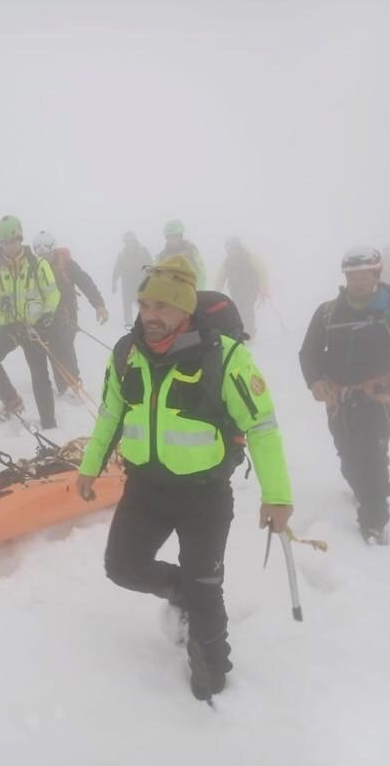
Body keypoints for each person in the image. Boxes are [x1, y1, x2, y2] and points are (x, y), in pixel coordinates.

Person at [76, 255, 294, 701]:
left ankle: (212, 675)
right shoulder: (126, 354)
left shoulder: (225, 356)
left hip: (204, 495)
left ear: (185, 309)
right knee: (122, 567)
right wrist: (90, 465)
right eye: (145, 305)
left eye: (163, 306)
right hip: (145, 488)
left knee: (206, 588)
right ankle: (180, 591)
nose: (151, 316)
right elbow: (111, 413)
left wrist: (276, 495)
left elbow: (261, 426)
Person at [298, 247, 390, 544]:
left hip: (377, 397)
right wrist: (315, 381)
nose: (358, 281)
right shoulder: (328, 312)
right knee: (348, 454)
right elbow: (309, 352)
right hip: (337, 398)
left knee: (373, 455)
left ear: (377, 274)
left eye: (364, 275)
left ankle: (374, 520)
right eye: (352, 276)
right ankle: (368, 489)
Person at [0, 215, 61, 429]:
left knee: (39, 374)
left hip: (34, 327)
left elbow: (52, 294)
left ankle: (49, 423)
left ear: (20, 238)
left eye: (13, 240)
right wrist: (0, 306)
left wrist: (48, 314)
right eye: (5, 242)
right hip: (10, 326)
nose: (10, 246)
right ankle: (12, 401)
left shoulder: (38, 264)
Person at [32, 230, 109, 400]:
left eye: (47, 253)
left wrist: (98, 304)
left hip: (67, 313)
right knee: (53, 348)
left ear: (54, 250)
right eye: (41, 254)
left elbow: (84, 281)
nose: (44, 257)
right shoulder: (34, 267)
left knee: (66, 345)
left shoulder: (67, 264)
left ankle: (74, 383)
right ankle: (63, 386)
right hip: (46, 315)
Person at [215, 237, 269, 339]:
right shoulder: (228, 261)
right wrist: (216, 292)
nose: (233, 251)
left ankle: (250, 334)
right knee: (239, 311)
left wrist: (264, 287)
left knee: (247, 310)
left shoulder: (249, 257)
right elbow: (220, 278)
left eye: (234, 248)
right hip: (236, 291)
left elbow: (262, 271)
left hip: (250, 289)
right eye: (231, 249)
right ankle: (242, 334)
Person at [112, 231, 152, 324]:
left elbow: (150, 266)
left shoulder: (143, 252)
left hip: (141, 283)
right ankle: (129, 325)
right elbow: (116, 270)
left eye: (131, 241)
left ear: (135, 241)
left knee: (142, 305)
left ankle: (145, 323)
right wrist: (114, 283)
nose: (129, 244)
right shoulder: (122, 255)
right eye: (127, 242)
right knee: (127, 305)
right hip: (127, 284)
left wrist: (150, 280)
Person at [157, 220, 207, 289]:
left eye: (175, 237)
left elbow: (201, 273)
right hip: (169, 293)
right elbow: (155, 275)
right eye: (169, 237)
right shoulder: (161, 256)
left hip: (191, 291)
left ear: (181, 237)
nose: (171, 240)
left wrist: (201, 291)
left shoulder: (191, 251)